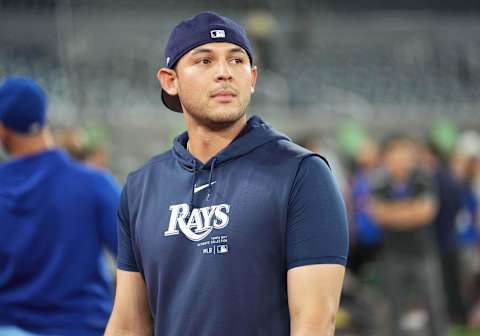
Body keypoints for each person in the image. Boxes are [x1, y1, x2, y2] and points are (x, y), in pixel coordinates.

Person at [105, 11, 349, 336]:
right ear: (170, 80)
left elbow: (315, 320)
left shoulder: (301, 174)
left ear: (253, 78)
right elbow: (128, 324)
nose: (224, 73)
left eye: (236, 61)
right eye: (204, 61)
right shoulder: (141, 187)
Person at [0, 77, 120, 335]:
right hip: (81, 326)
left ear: (3, 128)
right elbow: (138, 258)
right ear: (43, 118)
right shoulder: (94, 184)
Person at [368, 134, 447, 336]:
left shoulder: (423, 178)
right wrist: (409, 213)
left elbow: (426, 212)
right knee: (394, 308)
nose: (400, 161)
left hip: (423, 254)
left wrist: (394, 214)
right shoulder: (380, 182)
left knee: (434, 307)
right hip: (394, 255)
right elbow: (377, 213)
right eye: (395, 156)